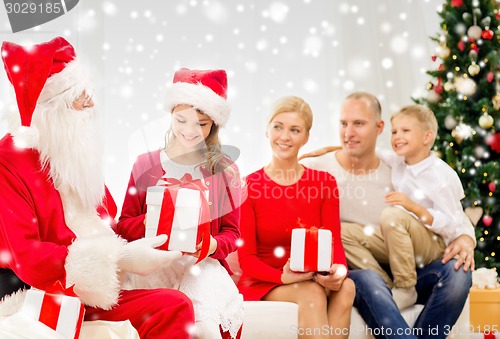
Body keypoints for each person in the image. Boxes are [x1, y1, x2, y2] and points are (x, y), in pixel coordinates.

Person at [0, 37, 194, 339]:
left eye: (89, 92)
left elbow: (105, 224)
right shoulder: (8, 162)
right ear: (51, 108)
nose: (91, 102)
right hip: (42, 293)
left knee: (174, 305)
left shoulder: (69, 149)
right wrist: (120, 259)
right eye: (80, 96)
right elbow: (28, 258)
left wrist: (161, 224)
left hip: (92, 290)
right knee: (173, 306)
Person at [301, 92, 474, 338]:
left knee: (458, 274)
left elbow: (451, 212)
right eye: (343, 124)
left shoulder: (398, 167)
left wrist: (466, 237)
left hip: (411, 268)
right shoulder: (317, 168)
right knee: (369, 278)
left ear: (379, 127)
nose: (348, 133)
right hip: (365, 272)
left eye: (359, 124)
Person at [115, 68, 244, 339]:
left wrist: (212, 245)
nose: (189, 130)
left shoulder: (223, 170)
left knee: (203, 322)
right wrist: (155, 219)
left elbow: (232, 234)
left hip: (201, 266)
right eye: (181, 120)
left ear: (214, 125)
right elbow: (124, 227)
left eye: (201, 123)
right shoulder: (145, 164)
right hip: (154, 264)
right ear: (171, 114)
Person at [238, 95, 355, 339]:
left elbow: (333, 242)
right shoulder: (249, 186)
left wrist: (339, 271)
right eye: (278, 127)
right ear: (267, 130)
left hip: (313, 275)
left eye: (295, 130)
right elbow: (247, 259)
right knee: (310, 293)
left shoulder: (324, 183)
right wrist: (282, 276)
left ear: (306, 137)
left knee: (347, 287)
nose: (284, 136)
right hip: (265, 280)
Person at [374, 104, 475, 310]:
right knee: (347, 233)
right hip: (408, 241)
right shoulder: (399, 161)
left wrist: (413, 207)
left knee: (392, 215)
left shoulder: (441, 176)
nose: (396, 136)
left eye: (405, 131)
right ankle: (386, 283)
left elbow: (452, 224)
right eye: (394, 131)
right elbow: (371, 150)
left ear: (427, 137)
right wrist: (332, 149)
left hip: (435, 243)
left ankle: (405, 288)